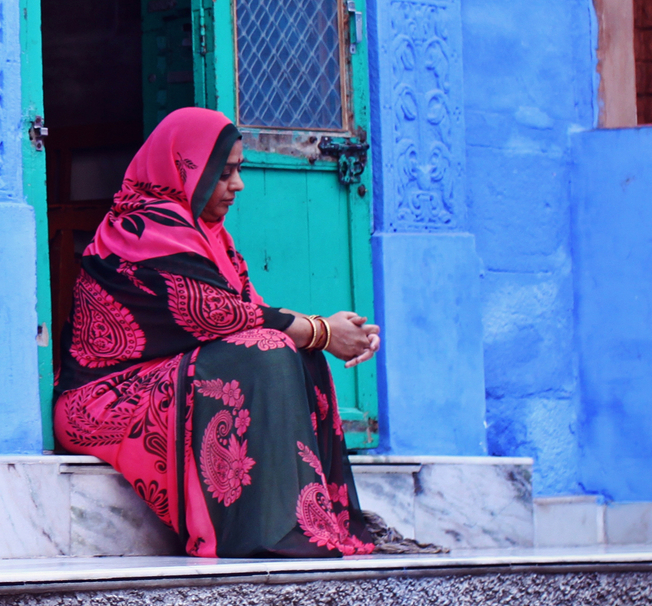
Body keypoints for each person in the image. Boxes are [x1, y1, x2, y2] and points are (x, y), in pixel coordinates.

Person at [52, 106, 434, 558]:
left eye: (237, 170)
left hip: (161, 379)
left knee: (287, 349)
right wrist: (321, 331)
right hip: (103, 400)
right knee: (269, 348)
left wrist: (324, 331)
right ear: (183, 168)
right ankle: (261, 531)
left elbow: (247, 311)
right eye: (224, 172)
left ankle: (310, 518)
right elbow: (216, 313)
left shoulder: (208, 234)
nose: (238, 185)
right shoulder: (141, 228)